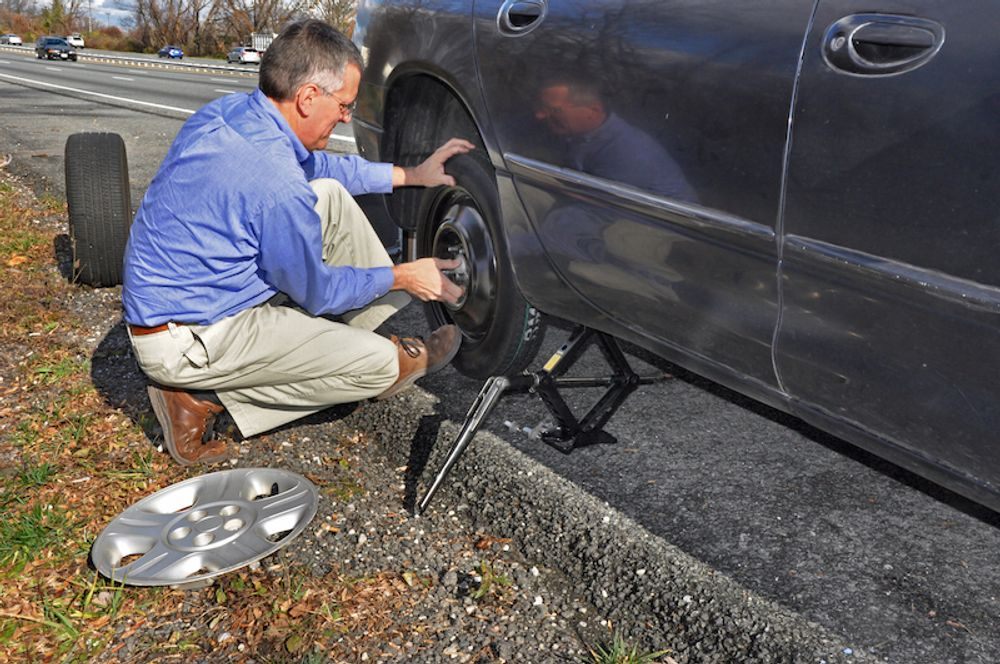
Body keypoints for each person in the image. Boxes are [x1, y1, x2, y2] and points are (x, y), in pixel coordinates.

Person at [121, 19, 474, 466]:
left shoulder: (233, 113)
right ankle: (200, 397)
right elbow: (320, 291)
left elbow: (325, 169)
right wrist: (403, 275)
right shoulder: (276, 185)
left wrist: (410, 176)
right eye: (344, 105)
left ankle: (328, 344)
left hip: (188, 300)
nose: (347, 116)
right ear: (308, 97)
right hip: (190, 337)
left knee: (328, 196)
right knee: (382, 368)